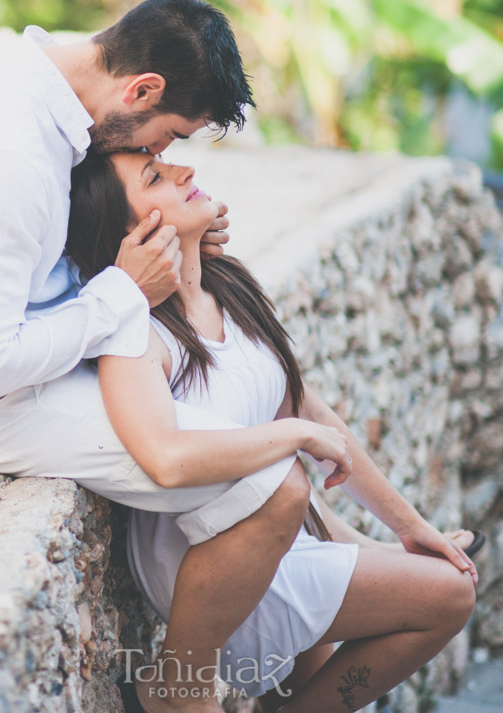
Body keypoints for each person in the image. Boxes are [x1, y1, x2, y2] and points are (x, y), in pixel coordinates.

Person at [0, 0, 317, 713]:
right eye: (166, 138)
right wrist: (125, 289)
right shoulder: (8, 152)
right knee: (273, 486)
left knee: (246, 435)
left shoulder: (66, 72)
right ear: (141, 90)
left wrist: (180, 239)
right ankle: (182, 694)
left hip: (43, 345)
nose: (159, 155)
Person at [66, 148, 478, 713]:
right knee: (450, 596)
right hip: (211, 565)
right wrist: (295, 440)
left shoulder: (228, 289)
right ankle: (176, 688)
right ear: (131, 229)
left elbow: (310, 410)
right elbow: (166, 457)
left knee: (308, 680)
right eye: (155, 177)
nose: (185, 170)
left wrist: (410, 528)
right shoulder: (136, 336)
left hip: (288, 538)